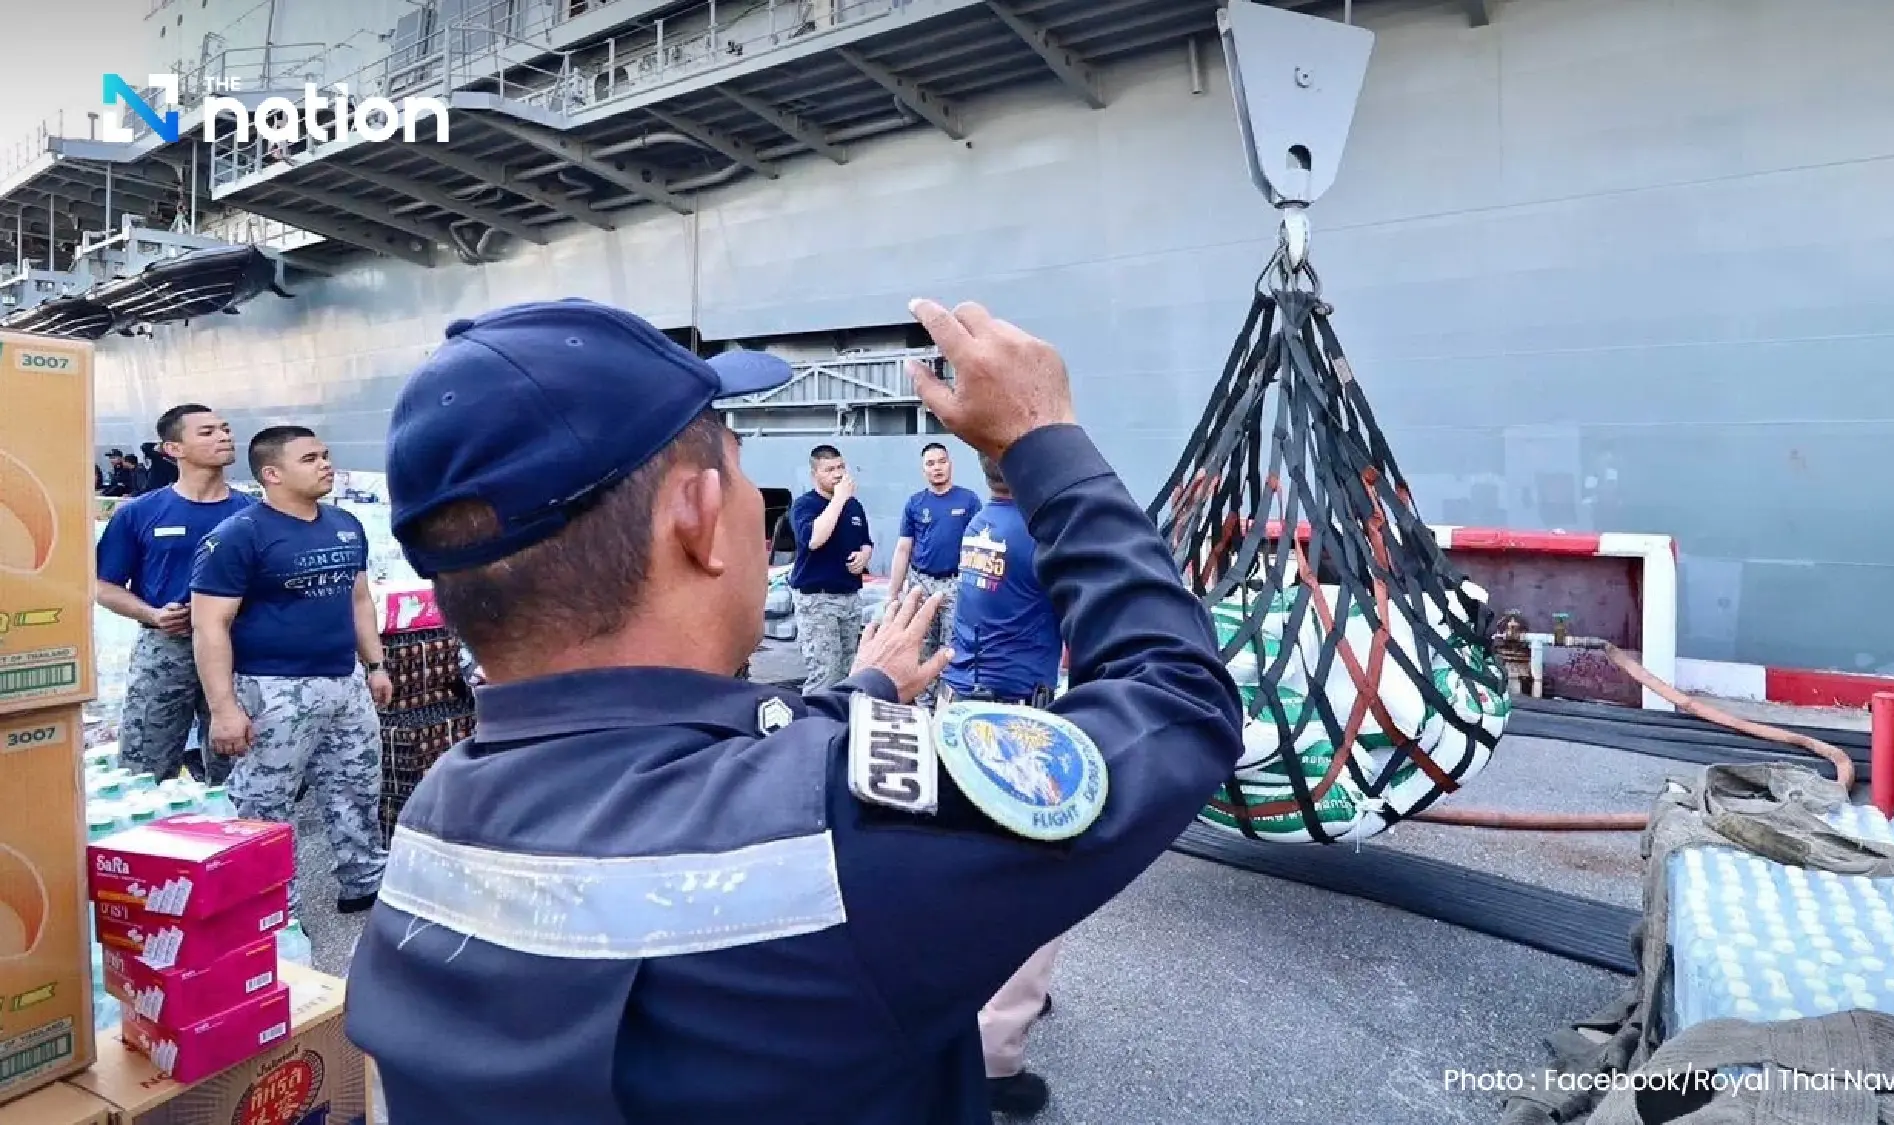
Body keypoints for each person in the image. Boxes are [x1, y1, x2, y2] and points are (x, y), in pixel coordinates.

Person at [342, 296, 1243, 1125]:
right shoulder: (839, 834)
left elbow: (691, 795)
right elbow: (1176, 695)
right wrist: (1045, 439)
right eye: (739, 471)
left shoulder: (438, 816)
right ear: (696, 518)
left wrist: (864, 697)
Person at [189, 425, 393, 919]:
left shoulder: (345, 524)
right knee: (266, 801)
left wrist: (375, 665)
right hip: (274, 689)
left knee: (357, 785)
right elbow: (209, 625)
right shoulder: (240, 535)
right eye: (310, 459)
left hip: (344, 683)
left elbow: (359, 598)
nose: (325, 464)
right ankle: (274, 908)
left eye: (325, 454)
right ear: (272, 474)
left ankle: (364, 880)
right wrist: (223, 709)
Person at [940, 450, 1068, 1116]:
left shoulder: (983, 524)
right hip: (1013, 719)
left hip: (964, 703)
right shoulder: (1042, 535)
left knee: (968, 862)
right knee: (1041, 877)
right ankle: (995, 1053)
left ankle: (972, 993)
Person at [95, 405, 256, 783]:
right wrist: (152, 615)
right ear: (173, 449)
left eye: (226, 429)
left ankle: (232, 837)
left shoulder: (253, 513)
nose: (224, 436)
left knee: (236, 766)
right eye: (207, 432)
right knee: (144, 766)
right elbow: (103, 586)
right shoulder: (140, 513)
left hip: (238, 647)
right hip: (167, 646)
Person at [886, 441, 981, 699]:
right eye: (930, 463)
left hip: (955, 583)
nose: (937, 468)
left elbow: (978, 547)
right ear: (923, 470)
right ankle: (925, 705)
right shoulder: (915, 504)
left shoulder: (969, 500)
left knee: (951, 648)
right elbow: (904, 549)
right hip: (921, 583)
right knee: (922, 647)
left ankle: (947, 704)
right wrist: (893, 594)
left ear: (950, 464)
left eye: (941, 461)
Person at [788, 444, 872, 692]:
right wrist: (838, 499)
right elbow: (814, 539)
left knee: (848, 672)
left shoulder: (854, 506)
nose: (838, 474)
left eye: (841, 467)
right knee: (825, 673)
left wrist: (865, 554)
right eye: (829, 469)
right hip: (817, 601)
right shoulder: (805, 505)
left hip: (849, 597)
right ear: (815, 474)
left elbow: (865, 540)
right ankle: (814, 727)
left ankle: (840, 725)